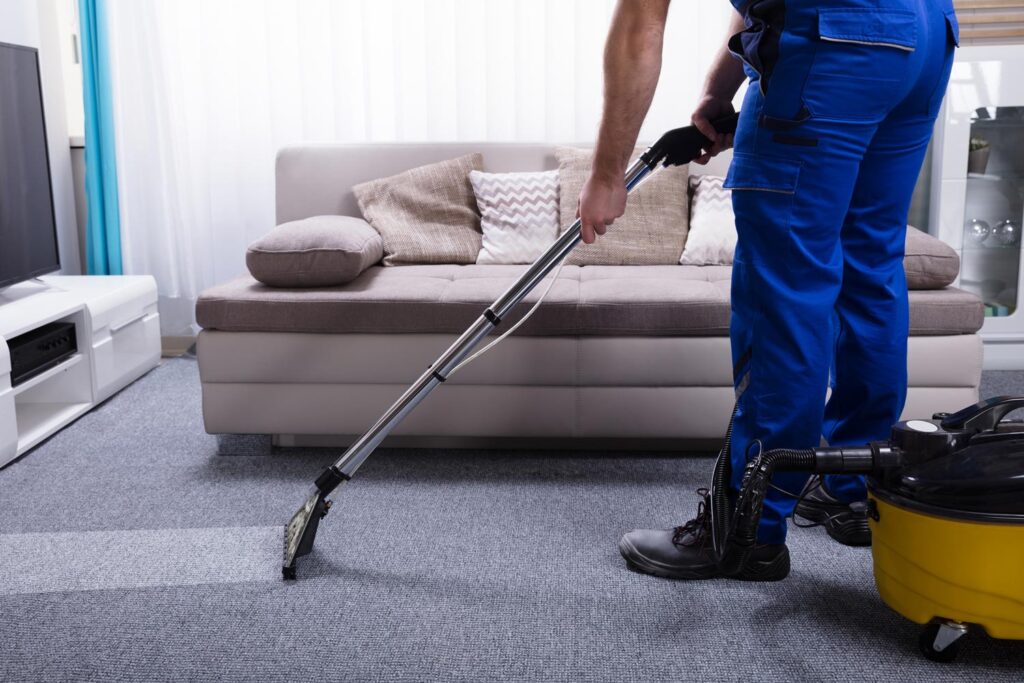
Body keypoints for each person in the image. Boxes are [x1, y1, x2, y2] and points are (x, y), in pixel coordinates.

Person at [579, 0, 959, 580]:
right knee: (871, 262)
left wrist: (607, 174)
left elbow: (640, 24)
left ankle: (746, 530)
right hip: (925, 36)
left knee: (785, 286)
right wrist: (719, 88)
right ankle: (853, 487)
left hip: (833, 41)